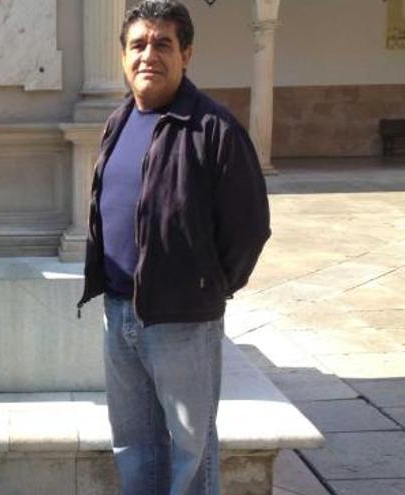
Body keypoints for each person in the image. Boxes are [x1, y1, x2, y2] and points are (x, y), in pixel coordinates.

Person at [76, 2, 271, 494]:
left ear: (186, 54)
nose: (149, 55)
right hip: (119, 312)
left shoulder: (214, 129)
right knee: (134, 444)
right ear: (123, 56)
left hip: (183, 321)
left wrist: (205, 286)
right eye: (138, 44)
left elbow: (249, 229)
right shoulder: (119, 121)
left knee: (191, 449)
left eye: (163, 44)